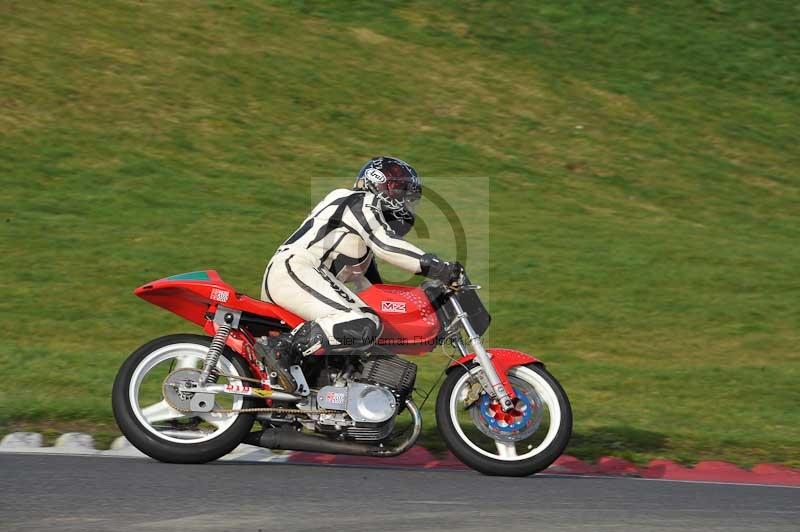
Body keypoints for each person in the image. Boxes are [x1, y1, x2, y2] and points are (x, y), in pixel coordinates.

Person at [256, 156, 462, 391]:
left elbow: (374, 291)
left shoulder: (358, 243)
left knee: (360, 337)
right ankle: (281, 347)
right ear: (380, 183)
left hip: (302, 278)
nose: (405, 202)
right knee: (363, 323)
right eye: (401, 192)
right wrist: (438, 267)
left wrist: (422, 305)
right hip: (297, 269)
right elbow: (387, 245)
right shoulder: (358, 200)